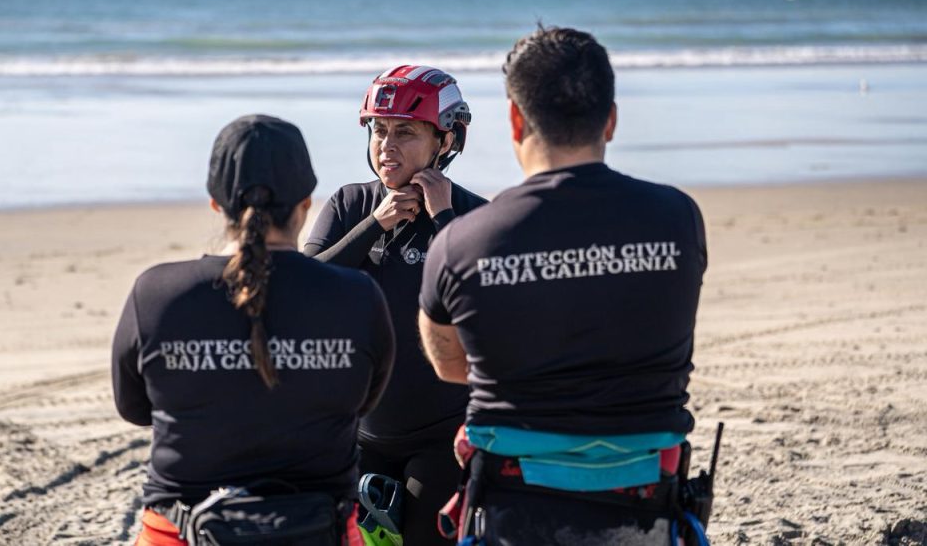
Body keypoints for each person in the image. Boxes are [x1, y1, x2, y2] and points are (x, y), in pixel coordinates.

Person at [418, 28, 708, 544]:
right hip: (644, 493)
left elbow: (451, 366)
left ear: (515, 118)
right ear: (611, 119)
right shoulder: (677, 219)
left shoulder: (463, 242)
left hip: (513, 500)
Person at [112, 115, 395, 546]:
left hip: (181, 527)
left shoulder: (156, 293)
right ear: (305, 204)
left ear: (215, 203)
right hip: (320, 527)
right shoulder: (358, 296)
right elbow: (362, 401)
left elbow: (134, 408)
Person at [304, 65, 488, 545]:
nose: (386, 145)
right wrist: (374, 226)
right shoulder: (349, 205)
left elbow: (486, 308)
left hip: (441, 435)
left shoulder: (476, 216)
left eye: (405, 132)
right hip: (354, 432)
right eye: (378, 130)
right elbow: (303, 289)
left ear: (445, 141)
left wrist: (444, 218)